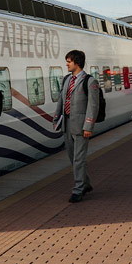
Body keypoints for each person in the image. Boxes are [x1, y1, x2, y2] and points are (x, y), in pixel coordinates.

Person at [53, 49, 99, 203]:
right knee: (73, 158)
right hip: (66, 124)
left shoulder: (90, 81)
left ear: (77, 63)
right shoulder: (67, 79)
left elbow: (93, 106)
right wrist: (56, 117)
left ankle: (78, 189)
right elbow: (62, 99)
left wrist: (88, 126)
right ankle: (85, 183)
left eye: (69, 61)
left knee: (79, 159)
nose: (66, 64)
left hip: (80, 127)